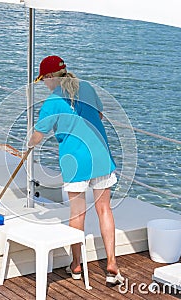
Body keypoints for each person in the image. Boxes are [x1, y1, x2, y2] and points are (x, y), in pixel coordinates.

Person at [27, 55, 124, 285]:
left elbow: (39, 136)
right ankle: (111, 264)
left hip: (75, 161)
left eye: (44, 80)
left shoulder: (51, 102)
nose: (45, 85)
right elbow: (98, 115)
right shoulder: (88, 88)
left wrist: (29, 145)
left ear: (50, 77)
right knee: (104, 210)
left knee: (77, 213)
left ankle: (77, 264)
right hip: (100, 155)